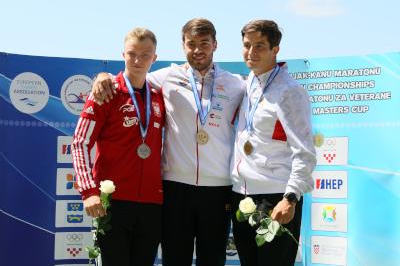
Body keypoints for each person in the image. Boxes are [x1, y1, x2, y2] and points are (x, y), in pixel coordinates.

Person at [92, 18, 245, 266]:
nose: (197, 50)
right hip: (175, 188)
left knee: (213, 259)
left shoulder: (237, 84)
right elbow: (131, 77)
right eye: (191, 43)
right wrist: (104, 76)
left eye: (204, 43)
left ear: (215, 45)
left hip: (218, 190)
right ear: (182, 45)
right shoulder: (166, 77)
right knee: (175, 259)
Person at [71, 27, 165, 266]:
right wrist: (89, 192)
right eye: (132, 53)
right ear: (122, 54)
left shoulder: (158, 96)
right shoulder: (106, 92)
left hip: (151, 205)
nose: (138, 60)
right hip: (112, 203)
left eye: (146, 55)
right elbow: (80, 142)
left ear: (154, 58)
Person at [230, 19, 317, 266]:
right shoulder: (246, 84)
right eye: (247, 45)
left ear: (275, 50)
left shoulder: (290, 90)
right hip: (242, 196)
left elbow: (305, 150)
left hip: (276, 196)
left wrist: (290, 198)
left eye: (259, 46)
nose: (251, 52)